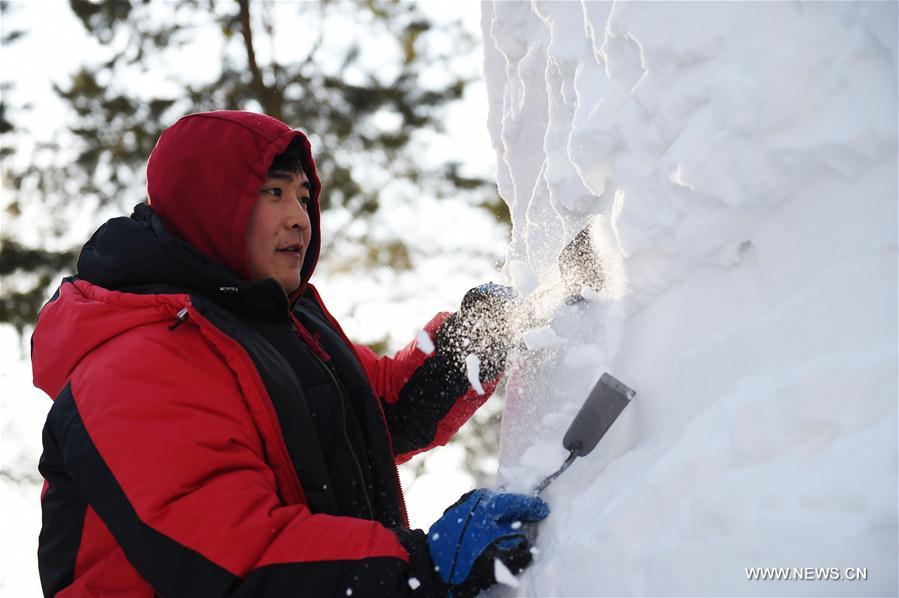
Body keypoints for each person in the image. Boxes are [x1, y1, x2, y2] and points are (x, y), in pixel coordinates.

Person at [31, 110, 549, 597]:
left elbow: (378, 413)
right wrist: (421, 566)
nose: (300, 218)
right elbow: (233, 556)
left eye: (303, 196)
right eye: (273, 192)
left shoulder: (281, 327)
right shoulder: (133, 363)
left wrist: (475, 339)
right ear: (209, 203)